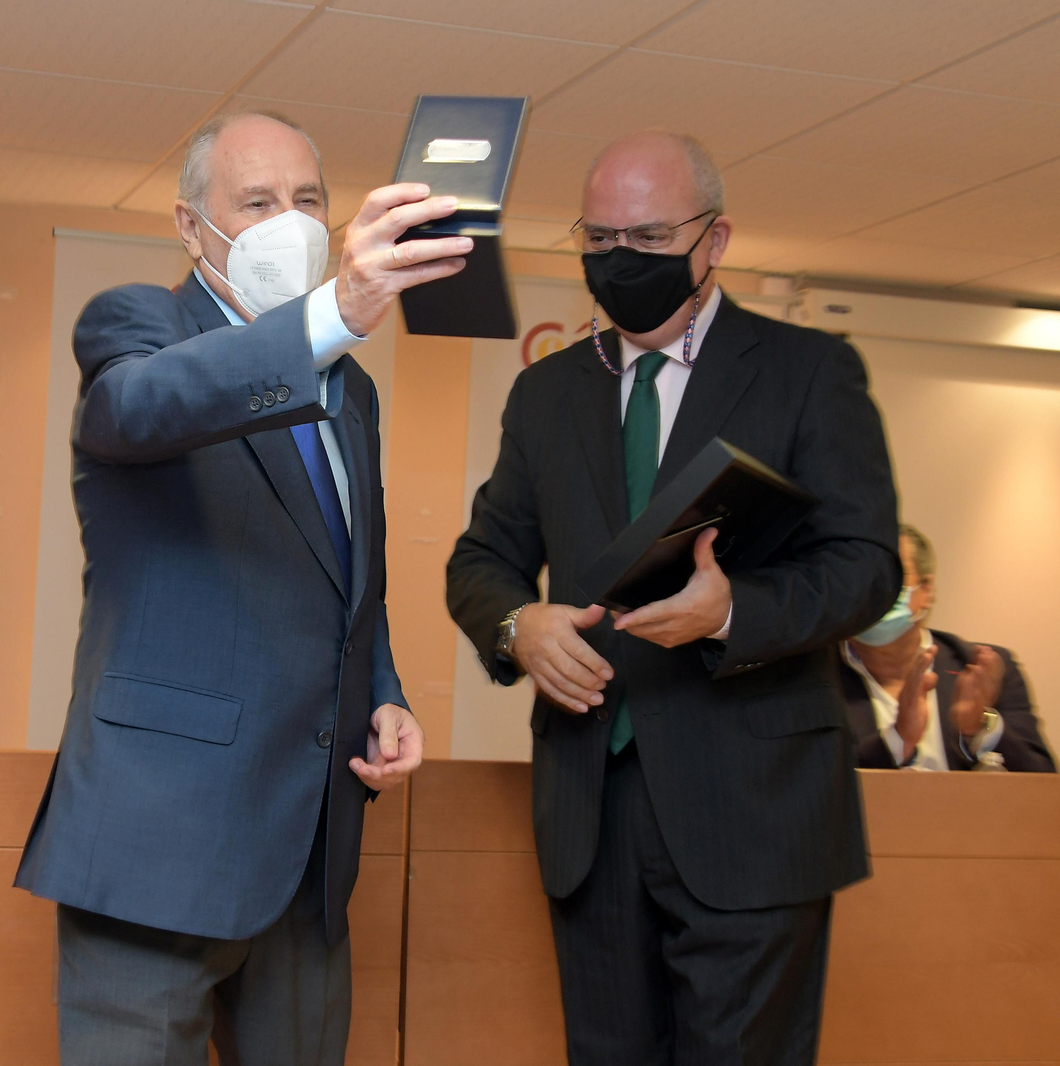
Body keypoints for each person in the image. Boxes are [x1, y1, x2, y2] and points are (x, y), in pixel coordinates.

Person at [446, 131, 901, 1066]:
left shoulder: (810, 371)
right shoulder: (545, 395)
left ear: (715, 239)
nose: (621, 261)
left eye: (648, 238)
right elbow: (482, 558)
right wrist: (516, 624)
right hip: (591, 814)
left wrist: (733, 614)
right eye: (600, 238)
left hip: (755, 813)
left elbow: (865, 566)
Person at [15, 111, 455, 1065]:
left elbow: (347, 576)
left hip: (306, 848)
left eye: (307, 202)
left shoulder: (352, 392)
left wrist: (383, 689)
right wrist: (334, 313)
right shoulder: (138, 324)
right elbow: (138, 408)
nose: (286, 224)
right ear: (189, 225)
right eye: (256, 203)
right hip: (156, 842)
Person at [841, 524, 1054, 772]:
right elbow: (813, 790)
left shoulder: (981, 668)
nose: (871, 593)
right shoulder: (813, 677)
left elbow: (1043, 784)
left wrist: (981, 726)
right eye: (857, 580)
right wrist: (897, 741)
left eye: (888, 578)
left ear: (927, 589)